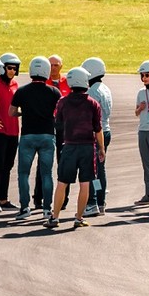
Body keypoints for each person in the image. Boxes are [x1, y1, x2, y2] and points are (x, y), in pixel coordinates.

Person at [51, 67, 104, 229]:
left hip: (69, 146)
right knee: (85, 183)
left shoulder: (63, 102)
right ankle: (79, 217)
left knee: (62, 182)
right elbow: (98, 129)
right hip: (87, 147)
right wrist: (101, 148)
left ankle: (55, 217)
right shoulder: (92, 104)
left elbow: (58, 123)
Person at [13, 57, 61, 215]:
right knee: (46, 173)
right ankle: (47, 209)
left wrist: (23, 112)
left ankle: (25, 207)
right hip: (47, 135)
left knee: (23, 173)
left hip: (27, 135)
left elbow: (11, 112)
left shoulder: (22, 91)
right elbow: (60, 112)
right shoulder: (54, 92)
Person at [0, 52, 20, 212]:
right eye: (9, 68)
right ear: (2, 68)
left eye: (15, 69)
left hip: (14, 131)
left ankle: (4, 199)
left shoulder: (15, 84)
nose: (12, 71)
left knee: (8, 166)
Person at [82, 57, 112, 216]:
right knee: (100, 168)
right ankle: (101, 201)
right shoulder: (105, 88)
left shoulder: (92, 91)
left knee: (92, 169)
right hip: (106, 130)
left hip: (95, 132)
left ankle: (92, 201)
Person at [132, 60, 149, 206]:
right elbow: (136, 112)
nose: (144, 78)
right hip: (142, 131)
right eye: (142, 76)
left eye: (147, 75)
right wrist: (140, 108)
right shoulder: (141, 93)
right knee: (146, 165)